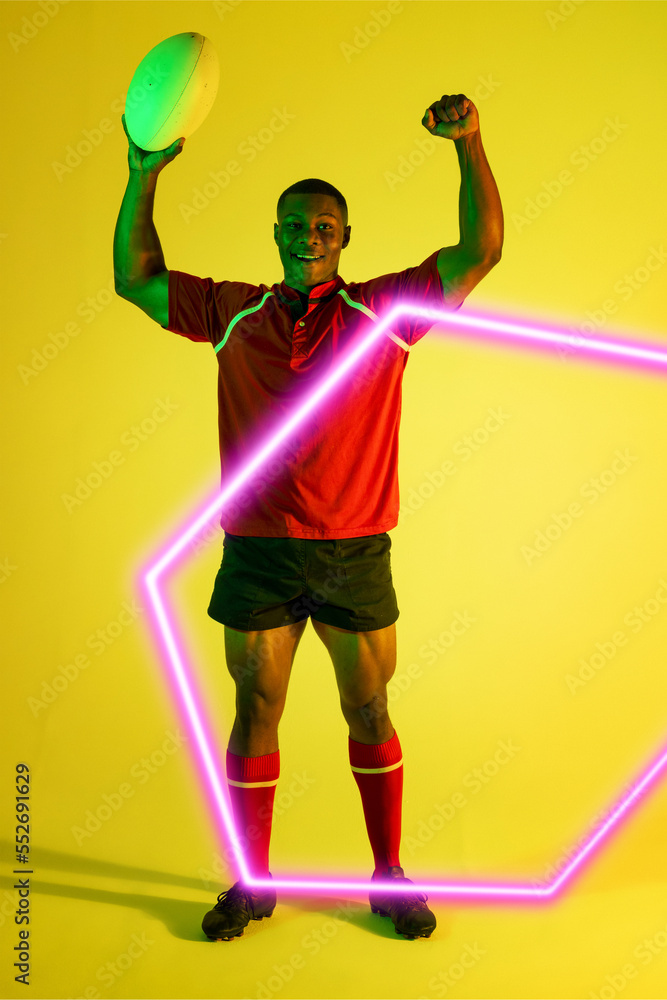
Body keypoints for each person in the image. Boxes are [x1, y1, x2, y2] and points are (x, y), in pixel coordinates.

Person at [114, 93, 503, 941]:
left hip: (355, 552)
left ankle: (389, 876)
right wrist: (142, 177)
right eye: (299, 221)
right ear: (280, 234)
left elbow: (480, 251)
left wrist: (468, 146)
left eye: (327, 222)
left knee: (368, 712)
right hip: (257, 552)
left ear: (345, 237)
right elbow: (135, 279)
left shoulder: (382, 312)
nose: (312, 232)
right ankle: (252, 883)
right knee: (256, 710)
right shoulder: (234, 313)